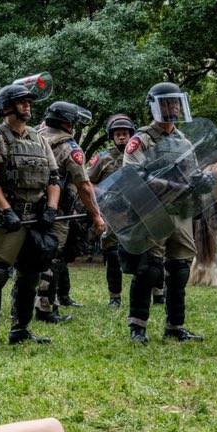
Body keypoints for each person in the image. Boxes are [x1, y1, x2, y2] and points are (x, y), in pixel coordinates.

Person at [0, 80, 61, 347]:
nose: (28, 106)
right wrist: (6, 211)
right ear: (6, 107)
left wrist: (51, 209)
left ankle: (20, 329)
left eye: (29, 102)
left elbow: (54, 178)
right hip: (6, 219)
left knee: (30, 275)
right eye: (22, 102)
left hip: (36, 218)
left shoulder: (39, 139)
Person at [120, 82, 206, 344]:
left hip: (181, 212)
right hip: (152, 212)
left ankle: (175, 326)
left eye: (176, 102)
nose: (173, 107)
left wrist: (203, 181)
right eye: (167, 102)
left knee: (180, 270)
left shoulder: (184, 141)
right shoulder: (141, 140)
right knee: (149, 270)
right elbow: (133, 175)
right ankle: (138, 327)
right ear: (155, 106)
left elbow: (193, 174)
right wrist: (172, 186)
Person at [35, 101, 106, 322]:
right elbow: (84, 186)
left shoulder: (32, 137)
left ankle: (23, 304)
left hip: (27, 208)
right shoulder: (69, 148)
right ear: (67, 123)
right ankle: (46, 308)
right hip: (56, 211)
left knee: (29, 257)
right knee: (52, 257)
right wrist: (96, 216)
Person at [88, 114, 137, 307]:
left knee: (147, 254)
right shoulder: (103, 158)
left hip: (137, 212)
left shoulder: (139, 155)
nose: (122, 137)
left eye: (125, 133)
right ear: (112, 137)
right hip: (112, 213)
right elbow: (88, 183)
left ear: (131, 134)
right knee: (112, 255)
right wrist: (104, 194)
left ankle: (157, 292)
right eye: (118, 134)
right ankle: (114, 297)